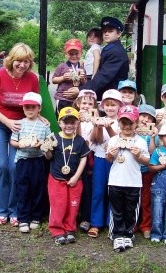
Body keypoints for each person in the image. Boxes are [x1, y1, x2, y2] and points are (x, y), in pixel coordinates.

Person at [0, 42, 40, 227]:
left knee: (16, 167)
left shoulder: (32, 79)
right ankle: (1, 210)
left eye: (26, 62)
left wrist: (41, 119)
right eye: (18, 61)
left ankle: (15, 210)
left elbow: (34, 104)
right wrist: (7, 122)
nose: (22, 65)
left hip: (22, 126)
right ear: (11, 60)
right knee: (1, 166)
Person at [105, 105, 150, 252]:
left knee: (131, 210)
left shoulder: (141, 141)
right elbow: (108, 159)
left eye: (130, 123)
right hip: (115, 181)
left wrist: (138, 155)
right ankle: (117, 235)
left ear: (136, 123)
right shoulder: (113, 140)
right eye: (124, 123)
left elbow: (147, 161)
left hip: (134, 182)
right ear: (118, 122)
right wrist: (110, 154)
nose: (127, 126)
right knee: (117, 210)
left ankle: (128, 234)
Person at [44, 107, 90, 245]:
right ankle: (57, 230)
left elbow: (83, 159)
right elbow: (48, 157)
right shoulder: (54, 138)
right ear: (59, 123)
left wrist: (76, 176)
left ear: (77, 123)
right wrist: (46, 150)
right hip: (57, 179)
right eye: (66, 122)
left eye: (72, 122)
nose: (69, 125)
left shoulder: (80, 141)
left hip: (75, 180)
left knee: (73, 205)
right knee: (58, 205)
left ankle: (70, 229)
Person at [10, 92, 52, 233]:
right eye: (27, 107)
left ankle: (36, 216)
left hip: (38, 161)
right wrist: (19, 145)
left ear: (39, 108)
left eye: (33, 107)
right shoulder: (19, 124)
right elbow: (13, 141)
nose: (29, 110)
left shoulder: (44, 125)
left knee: (38, 189)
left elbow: (49, 143)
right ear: (23, 108)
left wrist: (42, 145)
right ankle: (23, 218)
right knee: (22, 189)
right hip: (22, 161)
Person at [86, 89, 123, 238]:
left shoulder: (122, 122)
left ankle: (111, 221)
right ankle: (96, 223)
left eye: (113, 105)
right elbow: (97, 140)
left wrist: (108, 126)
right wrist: (98, 126)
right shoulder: (99, 118)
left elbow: (118, 140)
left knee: (113, 191)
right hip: (101, 158)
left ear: (119, 105)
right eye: (107, 105)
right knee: (98, 190)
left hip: (116, 160)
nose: (110, 108)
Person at [75, 17, 129, 100]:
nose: (106, 34)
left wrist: (81, 90)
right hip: (106, 91)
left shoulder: (116, 51)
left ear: (119, 34)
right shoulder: (109, 48)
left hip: (111, 95)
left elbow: (104, 76)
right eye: (104, 31)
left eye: (110, 31)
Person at [72, 89, 99, 233]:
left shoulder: (96, 119)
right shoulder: (73, 118)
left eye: (90, 103)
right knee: (75, 185)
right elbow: (77, 137)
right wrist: (78, 122)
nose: (86, 106)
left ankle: (86, 217)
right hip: (74, 157)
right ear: (78, 103)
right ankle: (73, 215)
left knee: (88, 187)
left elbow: (95, 138)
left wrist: (95, 121)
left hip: (90, 158)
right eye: (84, 103)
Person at [136, 103, 158, 239]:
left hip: (146, 171)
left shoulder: (152, 135)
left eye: (149, 118)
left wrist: (153, 136)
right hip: (132, 170)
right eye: (143, 116)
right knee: (132, 199)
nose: (145, 120)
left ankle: (146, 226)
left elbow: (152, 152)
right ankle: (133, 223)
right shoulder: (132, 130)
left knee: (146, 200)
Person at [52, 39, 86, 114]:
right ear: (66, 54)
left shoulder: (82, 68)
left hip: (76, 100)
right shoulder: (62, 66)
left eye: (76, 53)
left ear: (81, 53)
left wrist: (82, 78)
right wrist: (63, 78)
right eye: (71, 54)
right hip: (63, 98)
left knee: (74, 119)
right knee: (62, 118)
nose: (74, 56)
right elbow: (54, 80)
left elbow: (84, 84)